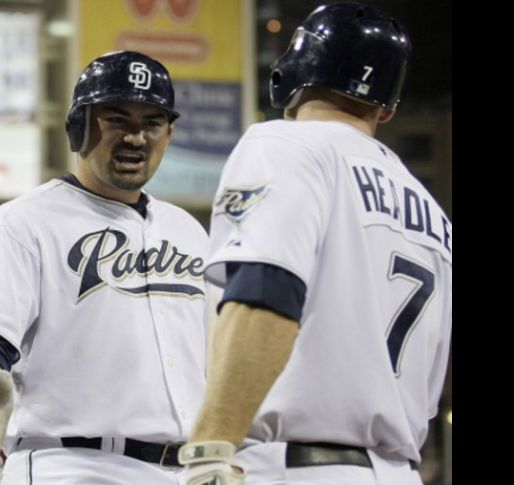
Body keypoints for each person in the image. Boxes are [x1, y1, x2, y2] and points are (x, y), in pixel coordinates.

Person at [177, 4, 452, 485]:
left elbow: (265, 293)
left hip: (296, 466)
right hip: (397, 469)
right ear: (387, 107)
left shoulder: (287, 145)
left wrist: (211, 444)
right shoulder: (433, 213)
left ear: (293, 70)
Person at [0, 50, 210, 484]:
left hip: (188, 469)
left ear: (169, 134)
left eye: (152, 123)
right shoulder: (24, 223)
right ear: (79, 126)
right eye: (117, 119)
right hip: (73, 465)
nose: (136, 137)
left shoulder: (188, 231)